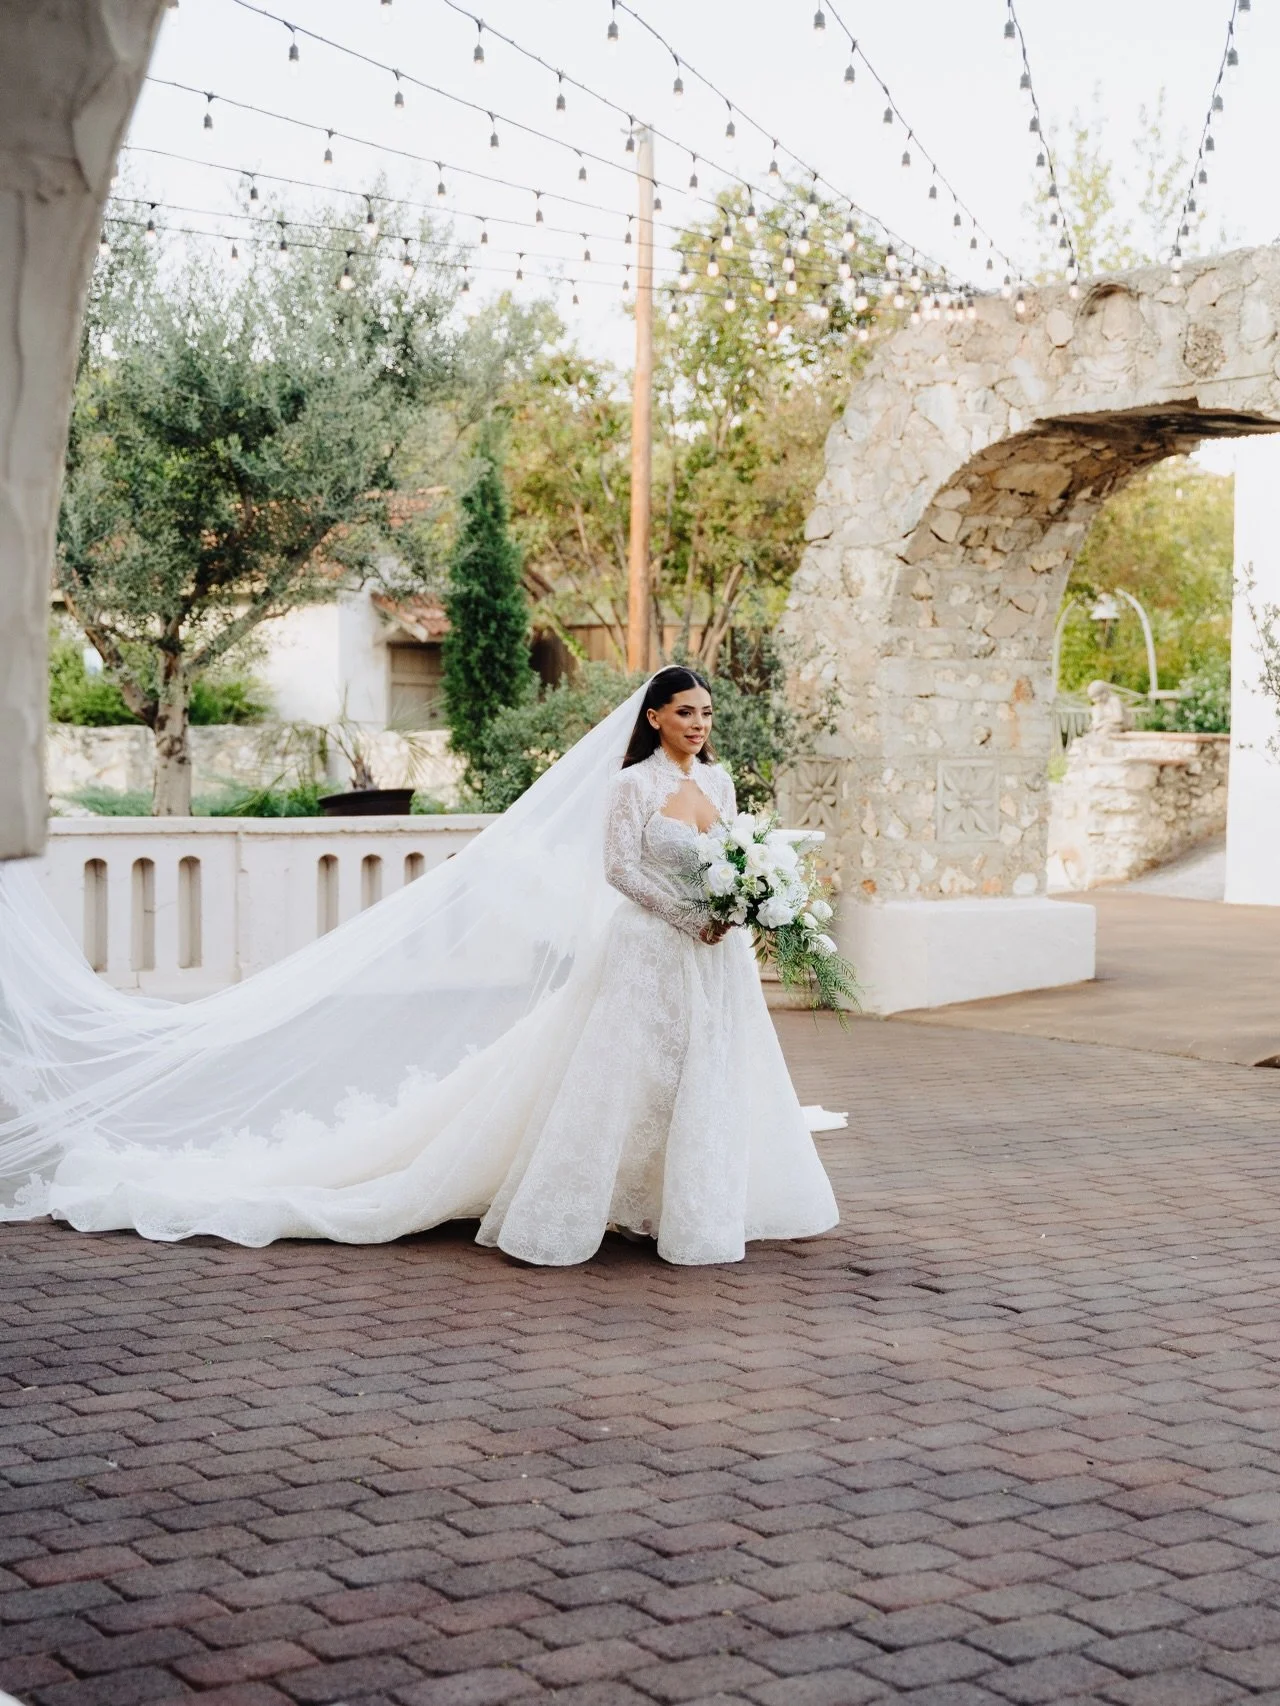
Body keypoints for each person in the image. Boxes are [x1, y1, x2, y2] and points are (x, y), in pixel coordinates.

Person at [0, 669, 839, 1265]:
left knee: (702, 1077)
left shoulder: (720, 783)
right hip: (650, 950)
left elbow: (734, 854)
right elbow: (620, 870)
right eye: (686, 711)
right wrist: (692, 914)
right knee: (627, 1076)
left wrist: (740, 909)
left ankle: (683, 1210)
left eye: (707, 713)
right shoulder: (631, 788)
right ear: (654, 716)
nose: (700, 723)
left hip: (712, 961)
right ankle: (579, 1206)